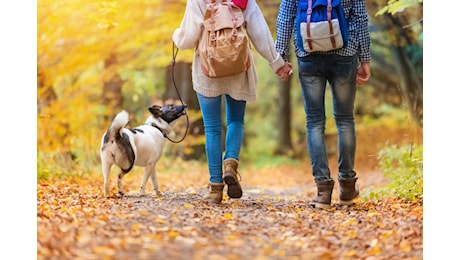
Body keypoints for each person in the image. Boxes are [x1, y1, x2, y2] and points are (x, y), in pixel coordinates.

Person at [173, 0, 293, 203]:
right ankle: (231, 163)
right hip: (239, 66)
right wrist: (277, 63)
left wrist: (177, 35)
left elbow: (187, 39)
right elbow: (260, 33)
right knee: (235, 121)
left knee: (212, 128)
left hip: (207, 68)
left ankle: (215, 189)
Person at [275, 0, 371, 209]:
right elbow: (360, 18)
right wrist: (364, 59)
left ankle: (323, 191)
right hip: (344, 54)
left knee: (314, 122)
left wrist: (281, 57)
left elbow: (285, 17)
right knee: (345, 120)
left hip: (308, 55)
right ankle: (346, 187)